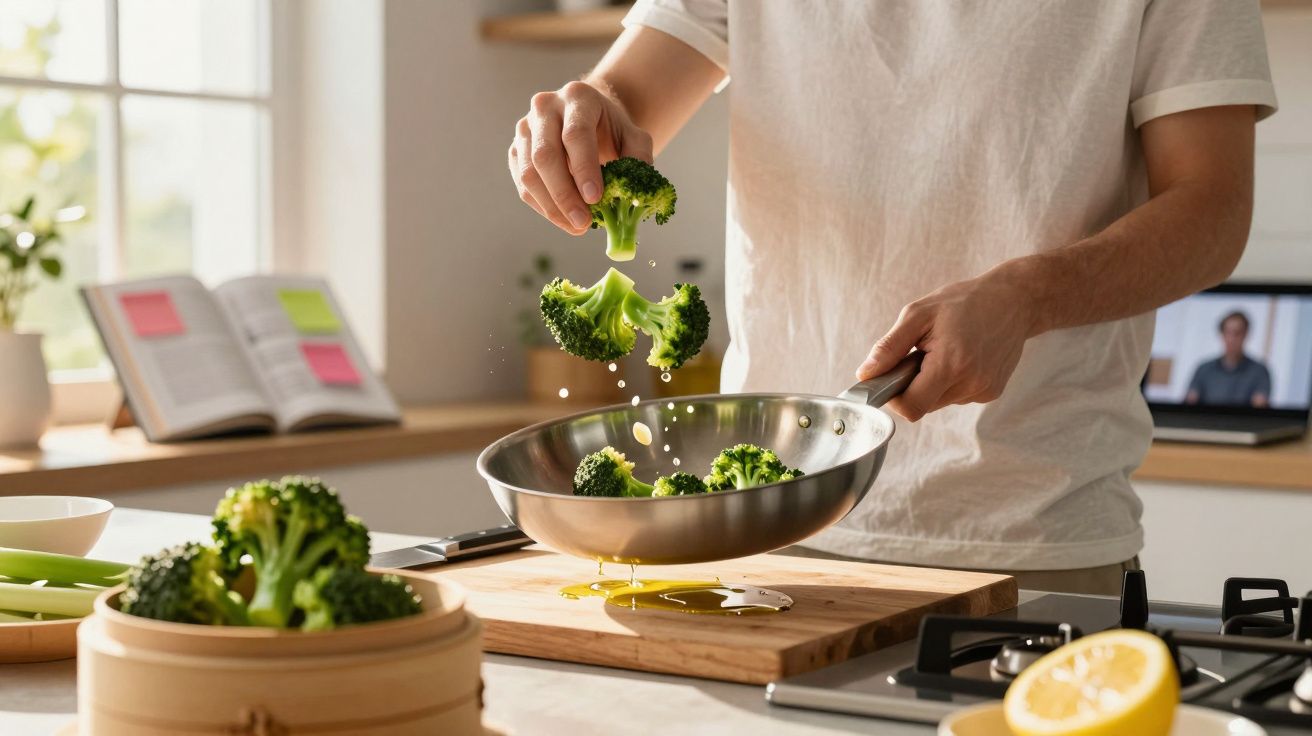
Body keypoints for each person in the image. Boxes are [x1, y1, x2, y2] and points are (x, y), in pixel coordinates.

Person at [507, 1, 1276, 595]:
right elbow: (621, 105)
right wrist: (578, 120)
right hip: (765, 535)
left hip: (1029, 548)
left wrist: (1027, 296)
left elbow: (1212, 209)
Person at [1186, 311, 1272, 407]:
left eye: (1237, 333)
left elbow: (1260, 407)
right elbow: (1190, 403)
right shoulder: (1203, 369)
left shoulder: (1259, 371)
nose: (1232, 339)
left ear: (1245, 335)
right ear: (1222, 335)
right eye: (1228, 332)